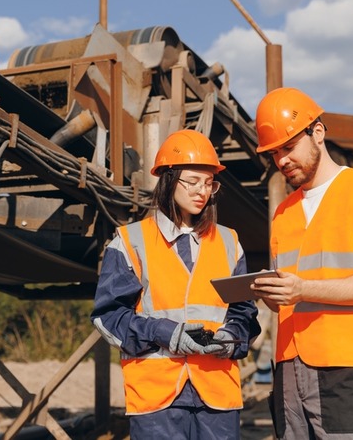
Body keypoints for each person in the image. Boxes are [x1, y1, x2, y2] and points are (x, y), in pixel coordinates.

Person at [251, 87, 353, 439]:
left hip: (349, 366)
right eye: (274, 153)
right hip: (289, 369)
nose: (282, 160)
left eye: (289, 147)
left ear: (317, 133)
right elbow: (290, 297)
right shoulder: (283, 212)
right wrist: (271, 294)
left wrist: (303, 289)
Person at [91, 129, 261, 439]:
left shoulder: (228, 242)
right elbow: (109, 318)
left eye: (209, 183)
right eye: (193, 181)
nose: (202, 192)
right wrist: (168, 334)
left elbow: (244, 313)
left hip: (217, 393)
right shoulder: (131, 242)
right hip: (157, 398)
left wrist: (232, 336)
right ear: (169, 180)